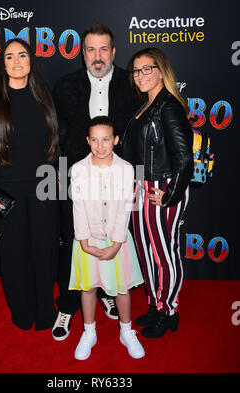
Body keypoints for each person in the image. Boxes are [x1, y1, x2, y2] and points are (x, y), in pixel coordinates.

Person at [52, 22, 139, 341]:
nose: (97, 56)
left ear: (114, 52)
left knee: (114, 234)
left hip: (118, 175)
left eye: (104, 49)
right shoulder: (64, 86)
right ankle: (68, 303)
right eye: (91, 49)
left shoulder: (131, 85)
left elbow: (138, 133)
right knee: (74, 238)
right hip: (77, 178)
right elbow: (55, 134)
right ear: (82, 54)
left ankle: (105, 292)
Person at [0, 38, 59, 331]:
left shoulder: (44, 98)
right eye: (9, 56)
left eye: (22, 55)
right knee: (14, 256)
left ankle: (45, 311)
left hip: (44, 189)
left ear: (30, 61)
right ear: (3, 65)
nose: (16, 61)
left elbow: (55, 144)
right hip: (7, 192)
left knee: (44, 252)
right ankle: (22, 312)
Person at [121, 47, 193, 338]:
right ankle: (155, 304)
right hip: (142, 189)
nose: (140, 76)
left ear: (161, 70)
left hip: (162, 189)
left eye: (147, 69)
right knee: (147, 254)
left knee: (164, 255)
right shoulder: (144, 106)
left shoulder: (169, 107)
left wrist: (170, 195)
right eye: (136, 71)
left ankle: (169, 311)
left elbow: (184, 157)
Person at [69, 115, 144, 360]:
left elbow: (125, 207)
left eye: (106, 139)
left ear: (116, 140)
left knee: (121, 288)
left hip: (117, 240)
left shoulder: (125, 169)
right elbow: (78, 206)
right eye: (95, 140)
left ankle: (126, 330)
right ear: (88, 141)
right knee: (88, 287)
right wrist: (83, 241)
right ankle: (89, 331)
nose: (100, 146)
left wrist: (116, 242)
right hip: (87, 239)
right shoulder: (79, 169)